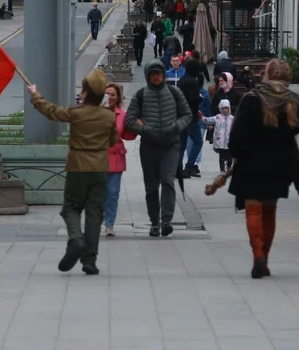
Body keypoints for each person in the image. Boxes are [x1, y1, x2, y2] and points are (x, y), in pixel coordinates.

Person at [28, 69, 117, 275]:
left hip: (77, 166)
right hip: (100, 168)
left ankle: (76, 239)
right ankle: (90, 261)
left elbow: (51, 111)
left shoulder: (76, 113)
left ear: (85, 93)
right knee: (95, 213)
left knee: (71, 208)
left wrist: (35, 94)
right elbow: (112, 141)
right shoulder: (108, 116)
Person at [229, 59, 299, 279]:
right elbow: (293, 136)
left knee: (254, 209)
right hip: (279, 166)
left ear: (266, 74)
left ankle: (257, 255)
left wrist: (236, 153)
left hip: (252, 164)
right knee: (270, 211)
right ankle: (266, 258)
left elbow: (238, 134)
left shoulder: (251, 99)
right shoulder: (291, 102)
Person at [125, 61, 193, 237]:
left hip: (171, 146)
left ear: (163, 74)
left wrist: (176, 127)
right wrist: (146, 130)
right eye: (153, 74)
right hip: (149, 147)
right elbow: (129, 120)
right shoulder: (140, 95)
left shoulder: (174, 92)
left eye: (159, 73)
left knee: (168, 181)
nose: (156, 76)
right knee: (151, 187)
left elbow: (187, 114)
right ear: (148, 76)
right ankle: (154, 222)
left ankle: (166, 221)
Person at [103, 84, 137, 237]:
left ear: (118, 98)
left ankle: (109, 224)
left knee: (112, 193)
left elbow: (128, 136)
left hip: (115, 157)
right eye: (107, 94)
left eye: (113, 94)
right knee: (97, 194)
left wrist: (135, 125)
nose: (109, 97)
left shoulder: (122, 115)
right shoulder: (96, 113)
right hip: (96, 158)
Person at [177, 62, 205, 178]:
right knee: (198, 141)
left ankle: (178, 169)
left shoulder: (181, 80)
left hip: (180, 116)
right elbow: (194, 98)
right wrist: (200, 98)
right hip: (191, 116)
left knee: (181, 144)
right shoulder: (193, 82)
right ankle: (189, 166)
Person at [211, 99, 234, 172]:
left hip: (229, 141)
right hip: (220, 141)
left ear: (229, 108)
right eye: (223, 108)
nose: (225, 110)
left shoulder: (232, 118)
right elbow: (209, 120)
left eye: (226, 108)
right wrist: (201, 118)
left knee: (230, 157)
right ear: (220, 108)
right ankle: (222, 169)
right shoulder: (217, 117)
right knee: (221, 157)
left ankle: (229, 166)